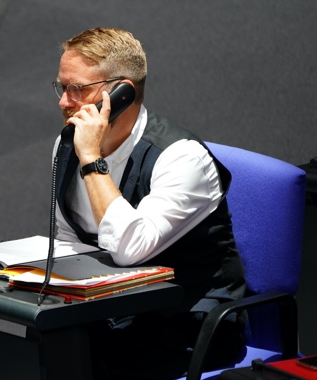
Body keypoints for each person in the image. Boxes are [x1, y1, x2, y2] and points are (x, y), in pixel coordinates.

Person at [52, 27, 247, 379]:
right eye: (61, 87)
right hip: (115, 313)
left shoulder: (181, 158)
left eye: (76, 89)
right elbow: (69, 242)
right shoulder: (68, 145)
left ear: (121, 92)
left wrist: (92, 161)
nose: (64, 102)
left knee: (88, 363)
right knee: (46, 342)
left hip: (187, 325)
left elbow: (129, 249)